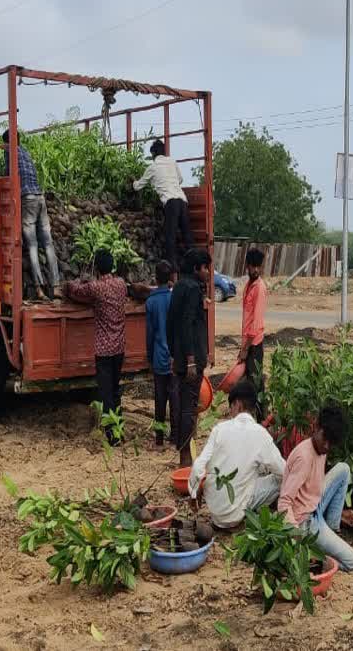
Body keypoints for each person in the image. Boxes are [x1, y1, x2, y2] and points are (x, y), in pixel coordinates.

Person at [188, 379, 285, 528]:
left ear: (237, 405)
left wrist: (194, 494)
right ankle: (255, 514)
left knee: (253, 468)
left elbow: (198, 466)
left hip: (216, 513)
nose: (230, 412)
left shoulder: (219, 429)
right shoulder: (260, 433)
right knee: (280, 479)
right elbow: (284, 471)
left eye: (231, 407)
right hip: (237, 514)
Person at [278, 405, 353, 572]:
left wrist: (341, 512)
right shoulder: (304, 458)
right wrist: (296, 537)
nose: (327, 446)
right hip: (305, 522)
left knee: (343, 469)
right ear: (316, 427)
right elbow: (284, 502)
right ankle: (319, 557)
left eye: (332, 442)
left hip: (314, 506)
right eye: (325, 438)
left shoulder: (321, 447)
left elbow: (313, 489)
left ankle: (331, 531)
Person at [66, 249, 128, 443]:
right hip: (119, 347)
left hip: (104, 350)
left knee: (106, 393)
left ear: (97, 269)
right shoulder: (121, 284)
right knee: (115, 390)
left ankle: (112, 436)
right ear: (112, 266)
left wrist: (72, 282)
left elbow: (75, 291)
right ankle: (119, 429)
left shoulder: (96, 288)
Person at [3, 129, 60, 300]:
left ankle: (39, 288)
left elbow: (8, 177)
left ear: (7, 142)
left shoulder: (9, 152)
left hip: (27, 200)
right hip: (39, 197)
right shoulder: (26, 152)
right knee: (48, 244)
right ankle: (56, 286)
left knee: (33, 245)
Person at [167, 248, 211, 466]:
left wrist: (174, 354)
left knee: (184, 403)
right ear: (196, 269)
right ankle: (186, 456)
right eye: (205, 268)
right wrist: (192, 359)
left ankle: (186, 451)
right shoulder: (193, 289)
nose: (207, 273)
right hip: (191, 359)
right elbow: (187, 325)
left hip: (180, 357)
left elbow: (170, 323)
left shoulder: (177, 288)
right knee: (189, 407)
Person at [133, 139, 191, 270]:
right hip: (183, 201)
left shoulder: (152, 167)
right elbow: (180, 179)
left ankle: (173, 268)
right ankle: (194, 265)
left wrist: (133, 181)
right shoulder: (172, 161)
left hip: (171, 203)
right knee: (187, 236)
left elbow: (138, 186)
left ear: (153, 154)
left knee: (170, 237)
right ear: (164, 152)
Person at [144, 260, 175, 447]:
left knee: (160, 399)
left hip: (158, 357)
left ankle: (159, 438)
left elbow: (149, 333)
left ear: (156, 278)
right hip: (174, 357)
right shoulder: (174, 298)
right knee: (175, 398)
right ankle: (175, 436)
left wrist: (149, 357)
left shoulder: (151, 301)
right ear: (171, 277)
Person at [239, 247, 268, 392]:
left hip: (254, 344)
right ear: (247, 266)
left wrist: (245, 349)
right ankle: (258, 413)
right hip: (248, 343)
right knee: (253, 381)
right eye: (253, 266)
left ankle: (260, 414)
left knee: (254, 382)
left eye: (259, 267)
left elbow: (255, 323)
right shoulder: (248, 286)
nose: (256, 270)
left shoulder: (259, 288)